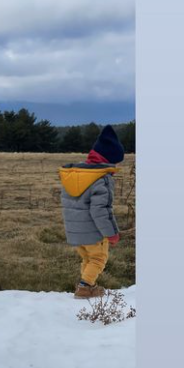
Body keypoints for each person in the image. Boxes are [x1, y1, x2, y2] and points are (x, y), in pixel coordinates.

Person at [59, 125, 124, 299]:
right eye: (117, 161)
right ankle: (84, 288)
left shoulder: (74, 174)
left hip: (75, 231)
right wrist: (111, 233)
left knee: (87, 259)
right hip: (94, 232)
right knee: (98, 259)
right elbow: (100, 210)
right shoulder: (101, 179)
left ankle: (88, 285)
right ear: (110, 159)